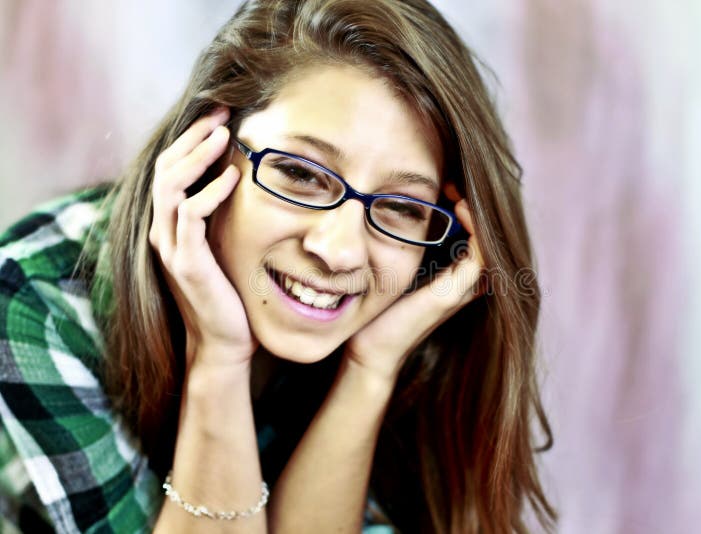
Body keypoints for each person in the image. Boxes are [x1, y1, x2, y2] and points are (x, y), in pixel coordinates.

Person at [0, 0, 556, 532]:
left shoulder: (415, 319)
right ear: (207, 151)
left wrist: (371, 368)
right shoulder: (37, 301)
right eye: (302, 174)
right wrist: (218, 357)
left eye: (402, 207)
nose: (338, 251)